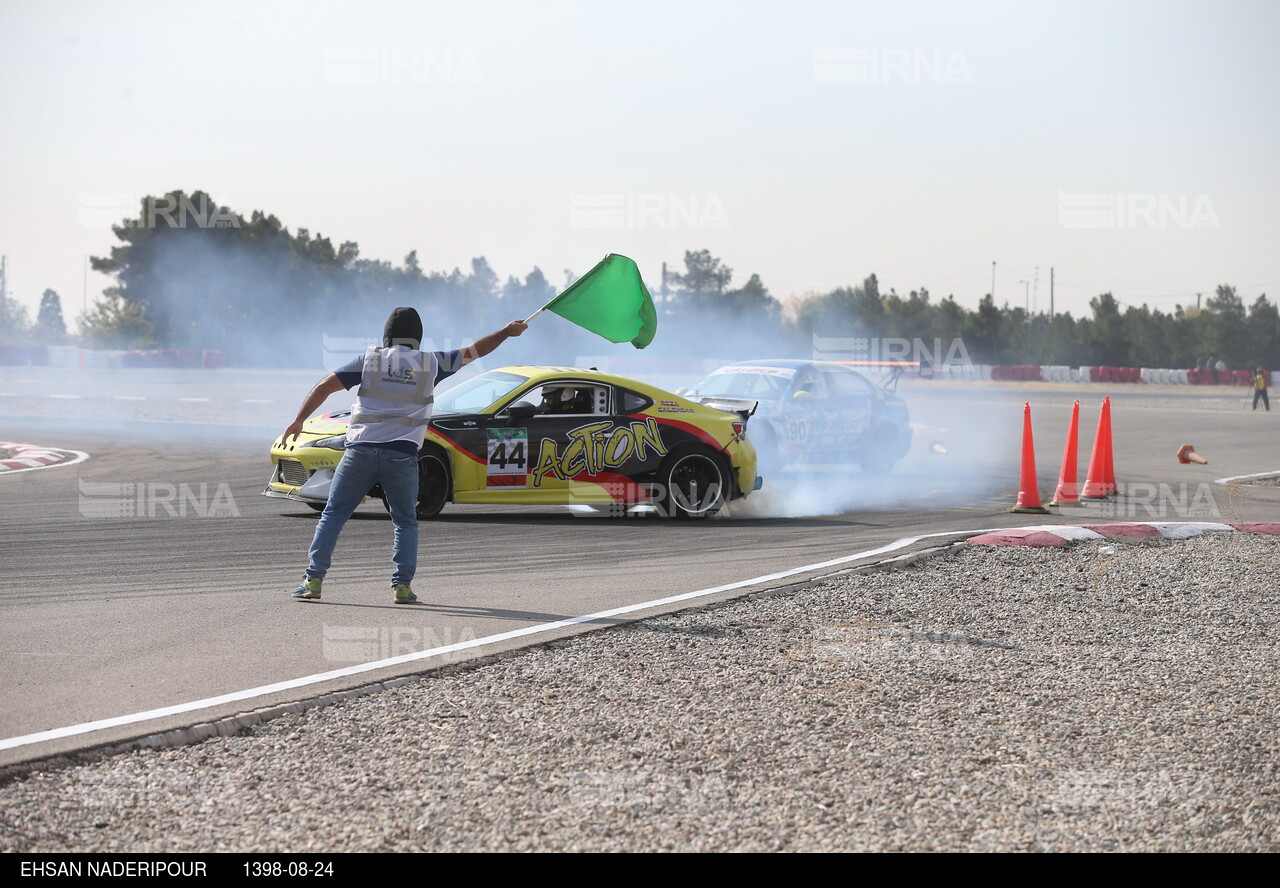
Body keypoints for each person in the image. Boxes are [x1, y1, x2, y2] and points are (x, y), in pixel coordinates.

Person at [284, 308, 527, 604]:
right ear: (418, 337)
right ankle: (401, 587)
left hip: (359, 452)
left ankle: (313, 580)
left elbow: (324, 386)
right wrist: (506, 332)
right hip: (401, 456)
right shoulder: (431, 363)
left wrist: (298, 419)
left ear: (386, 335)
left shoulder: (369, 360)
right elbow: (475, 351)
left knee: (334, 514)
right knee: (404, 521)